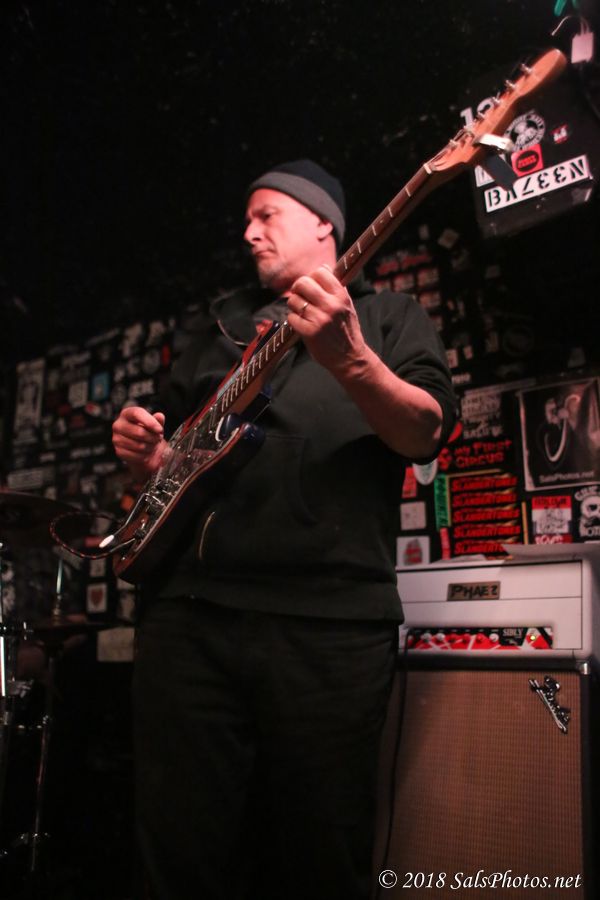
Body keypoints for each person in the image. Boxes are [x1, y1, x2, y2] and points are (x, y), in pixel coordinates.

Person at [112, 159, 457, 900]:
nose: (248, 232)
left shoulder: (389, 317)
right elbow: (176, 464)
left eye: (266, 214)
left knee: (320, 851)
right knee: (176, 847)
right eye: (247, 219)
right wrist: (150, 458)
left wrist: (352, 359)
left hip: (328, 627)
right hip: (190, 619)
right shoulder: (216, 332)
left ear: (324, 222)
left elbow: (425, 432)